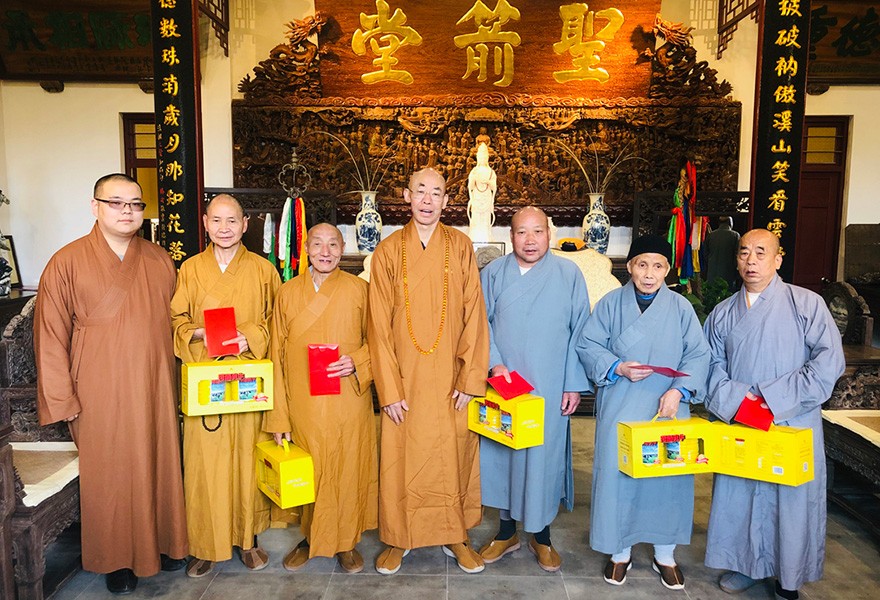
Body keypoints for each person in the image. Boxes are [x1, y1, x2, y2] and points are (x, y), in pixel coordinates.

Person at [34, 173, 187, 594]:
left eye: (136, 204)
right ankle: (117, 558)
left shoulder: (159, 260)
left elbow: (176, 324)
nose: (127, 211)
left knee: (157, 461)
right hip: (97, 385)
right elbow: (49, 334)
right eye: (117, 202)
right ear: (95, 206)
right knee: (111, 473)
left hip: (154, 382)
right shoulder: (66, 261)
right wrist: (64, 398)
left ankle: (164, 544)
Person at [702, 229, 844, 600]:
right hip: (742, 419)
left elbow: (829, 363)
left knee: (790, 501)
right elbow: (711, 366)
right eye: (744, 253)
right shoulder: (722, 313)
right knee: (742, 494)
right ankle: (746, 566)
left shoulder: (806, 304)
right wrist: (739, 402)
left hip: (790, 420)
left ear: (778, 259)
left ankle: (788, 576)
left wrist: (773, 399)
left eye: (761, 253)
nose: (751, 261)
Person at [368, 167, 490, 575]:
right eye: (420, 190)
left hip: (450, 380)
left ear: (445, 201)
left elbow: (475, 316)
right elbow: (377, 327)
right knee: (401, 459)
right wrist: (387, 388)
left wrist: (471, 379)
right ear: (406, 195)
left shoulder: (460, 246)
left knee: (451, 457)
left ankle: (456, 535)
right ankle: (398, 538)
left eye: (435, 193)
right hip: (403, 380)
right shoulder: (386, 251)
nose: (426, 199)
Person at [577, 234, 710, 591]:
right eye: (642, 264)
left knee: (665, 481)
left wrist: (679, 390)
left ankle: (665, 554)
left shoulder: (682, 309)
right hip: (621, 404)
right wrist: (617, 367)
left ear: (667, 270)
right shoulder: (609, 304)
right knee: (618, 477)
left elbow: (699, 355)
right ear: (630, 267)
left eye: (658, 266)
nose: (649, 273)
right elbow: (588, 344)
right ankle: (620, 552)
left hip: (666, 409)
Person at [170, 194, 281, 578]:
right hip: (206, 379)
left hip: (249, 379)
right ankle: (205, 544)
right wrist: (197, 331)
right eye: (216, 221)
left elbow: (277, 324)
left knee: (248, 460)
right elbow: (175, 320)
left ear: (245, 224)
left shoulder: (264, 270)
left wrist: (250, 338)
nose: (224, 228)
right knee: (204, 464)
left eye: (232, 221)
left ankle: (248, 539)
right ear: (204, 223)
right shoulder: (190, 268)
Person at [478, 207, 590, 571]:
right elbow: (480, 326)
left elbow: (581, 332)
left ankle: (541, 535)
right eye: (522, 232)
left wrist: (573, 383)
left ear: (550, 234)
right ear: (510, 236)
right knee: (504, 453)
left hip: (550, 383)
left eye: (537, 232)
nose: (530, 240)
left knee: (543, 457)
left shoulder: (569, 273)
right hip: (504, 384)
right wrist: (496, 364)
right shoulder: (493, 273)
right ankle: (506, 531)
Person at [264, 223, 378, 574]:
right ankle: (311, 539)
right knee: (310, 472)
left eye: (333, 244)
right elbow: (275, 355)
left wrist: (357, 361)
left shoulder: (361, 290)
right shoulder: (287, 293)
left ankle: (346, 542)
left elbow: (380, 343)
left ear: (343, 248)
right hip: (304, 402)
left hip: (348, 398)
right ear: (307, 248)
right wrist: (279, 418)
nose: (325, 251)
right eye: (318, 244)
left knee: (346, 468)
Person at [703, 216, 740, 290]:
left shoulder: (711, 235)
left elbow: (705, 254)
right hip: (729, 272)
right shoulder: (735, 235)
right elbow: (738, 255)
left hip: (712, 272)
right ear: (730, 223)